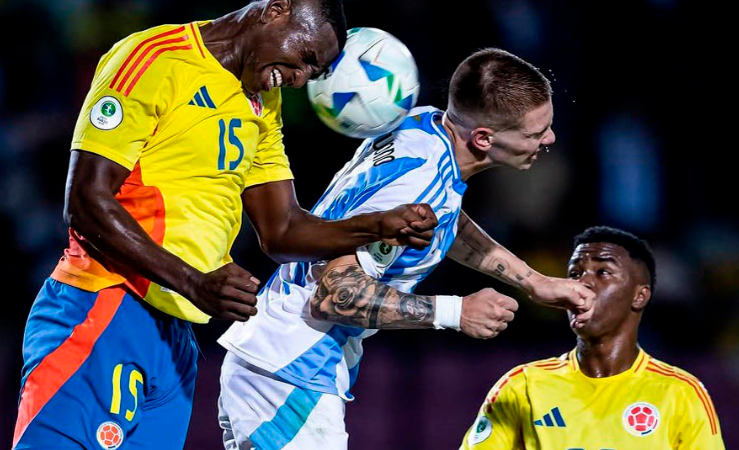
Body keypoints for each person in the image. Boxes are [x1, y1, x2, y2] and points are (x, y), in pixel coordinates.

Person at [11, 1, 440, 449]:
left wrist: (375, 227)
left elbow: (282, 229)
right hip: (104, 306)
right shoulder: (154, 58)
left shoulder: (263, 102)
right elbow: (86, 201)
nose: (300, 79)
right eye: (305, 58)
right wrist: (193, 281)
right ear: (276, 9)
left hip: (176, 336)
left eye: (313, 74)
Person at [216, 48, 595, 450]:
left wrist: (532, 281)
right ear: (484, 138)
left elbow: (446, 218)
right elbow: (334, 294)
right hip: (291, 373)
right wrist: (456, 312)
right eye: (536, 133)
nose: (549, 139)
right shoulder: (416, 187)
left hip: (275, 363)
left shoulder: (424, 126)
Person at [461, 226, 725, 450]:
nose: (582, 283)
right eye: (575, 274)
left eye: (603, 272)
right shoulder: (523, 386)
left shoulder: (681, 394)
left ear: (639, 296)